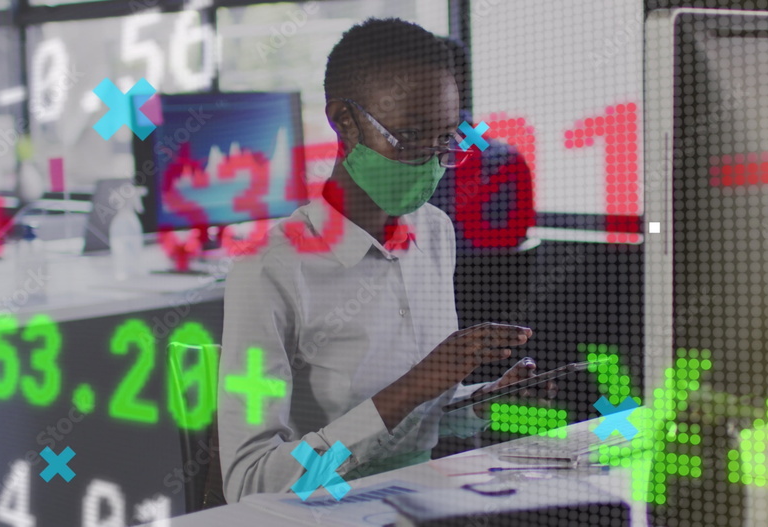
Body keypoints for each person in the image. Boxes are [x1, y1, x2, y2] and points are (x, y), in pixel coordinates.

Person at [219, 18, 552, 502]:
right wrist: (414, 385)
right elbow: (250, 483)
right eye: (409, 138)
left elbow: (417, 418)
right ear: (345, 121)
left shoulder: (434, 233)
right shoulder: (270, 268)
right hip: (320, 508)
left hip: (417, 496)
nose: (432, 161)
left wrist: (480, 402)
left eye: (445, 139)